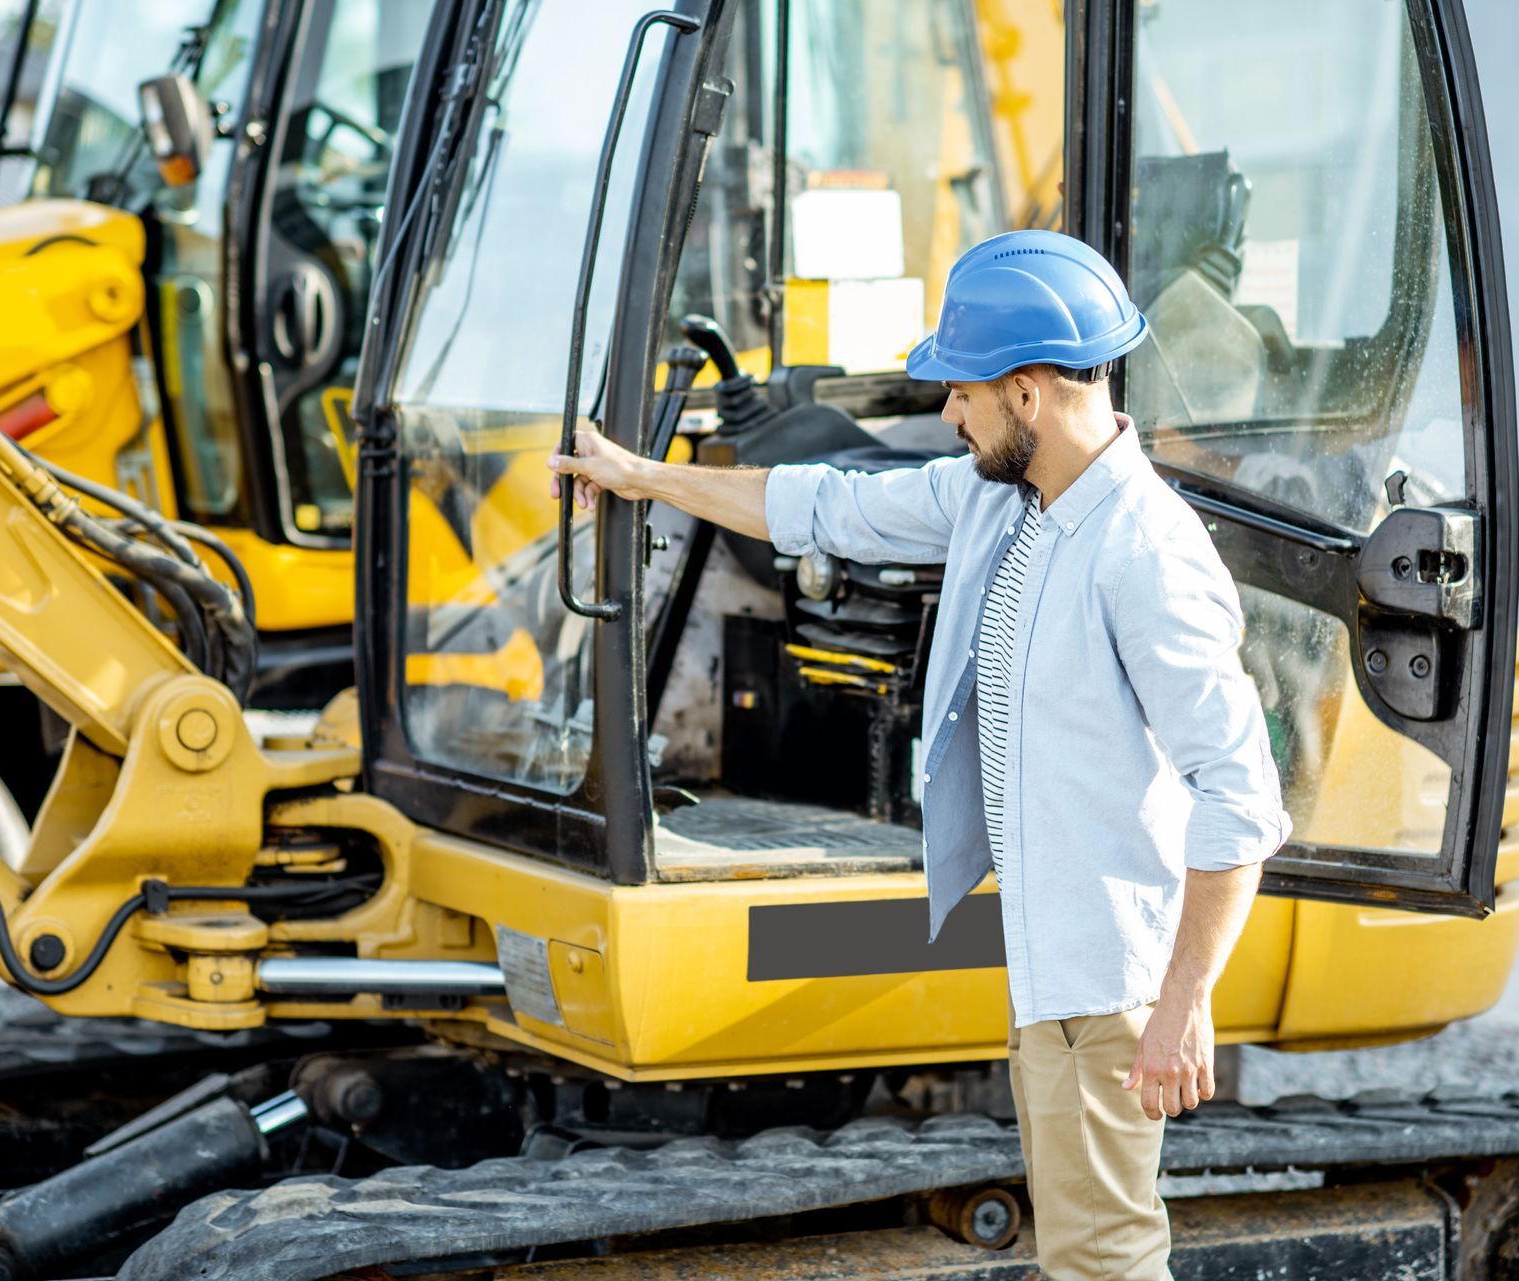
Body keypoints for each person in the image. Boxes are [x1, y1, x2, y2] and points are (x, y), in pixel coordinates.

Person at [548, 229, 1290, 1281]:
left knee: (1106, 1260)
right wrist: (641, 478)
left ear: (1027, 394)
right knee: (1083, 1256)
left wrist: (1182, 1005)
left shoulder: (1146, 555)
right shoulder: (1004, 504)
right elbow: (823, 506)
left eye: (962, 393)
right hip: (1052, 971)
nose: (948, 413)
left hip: (1109, 987)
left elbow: (1241, 795)